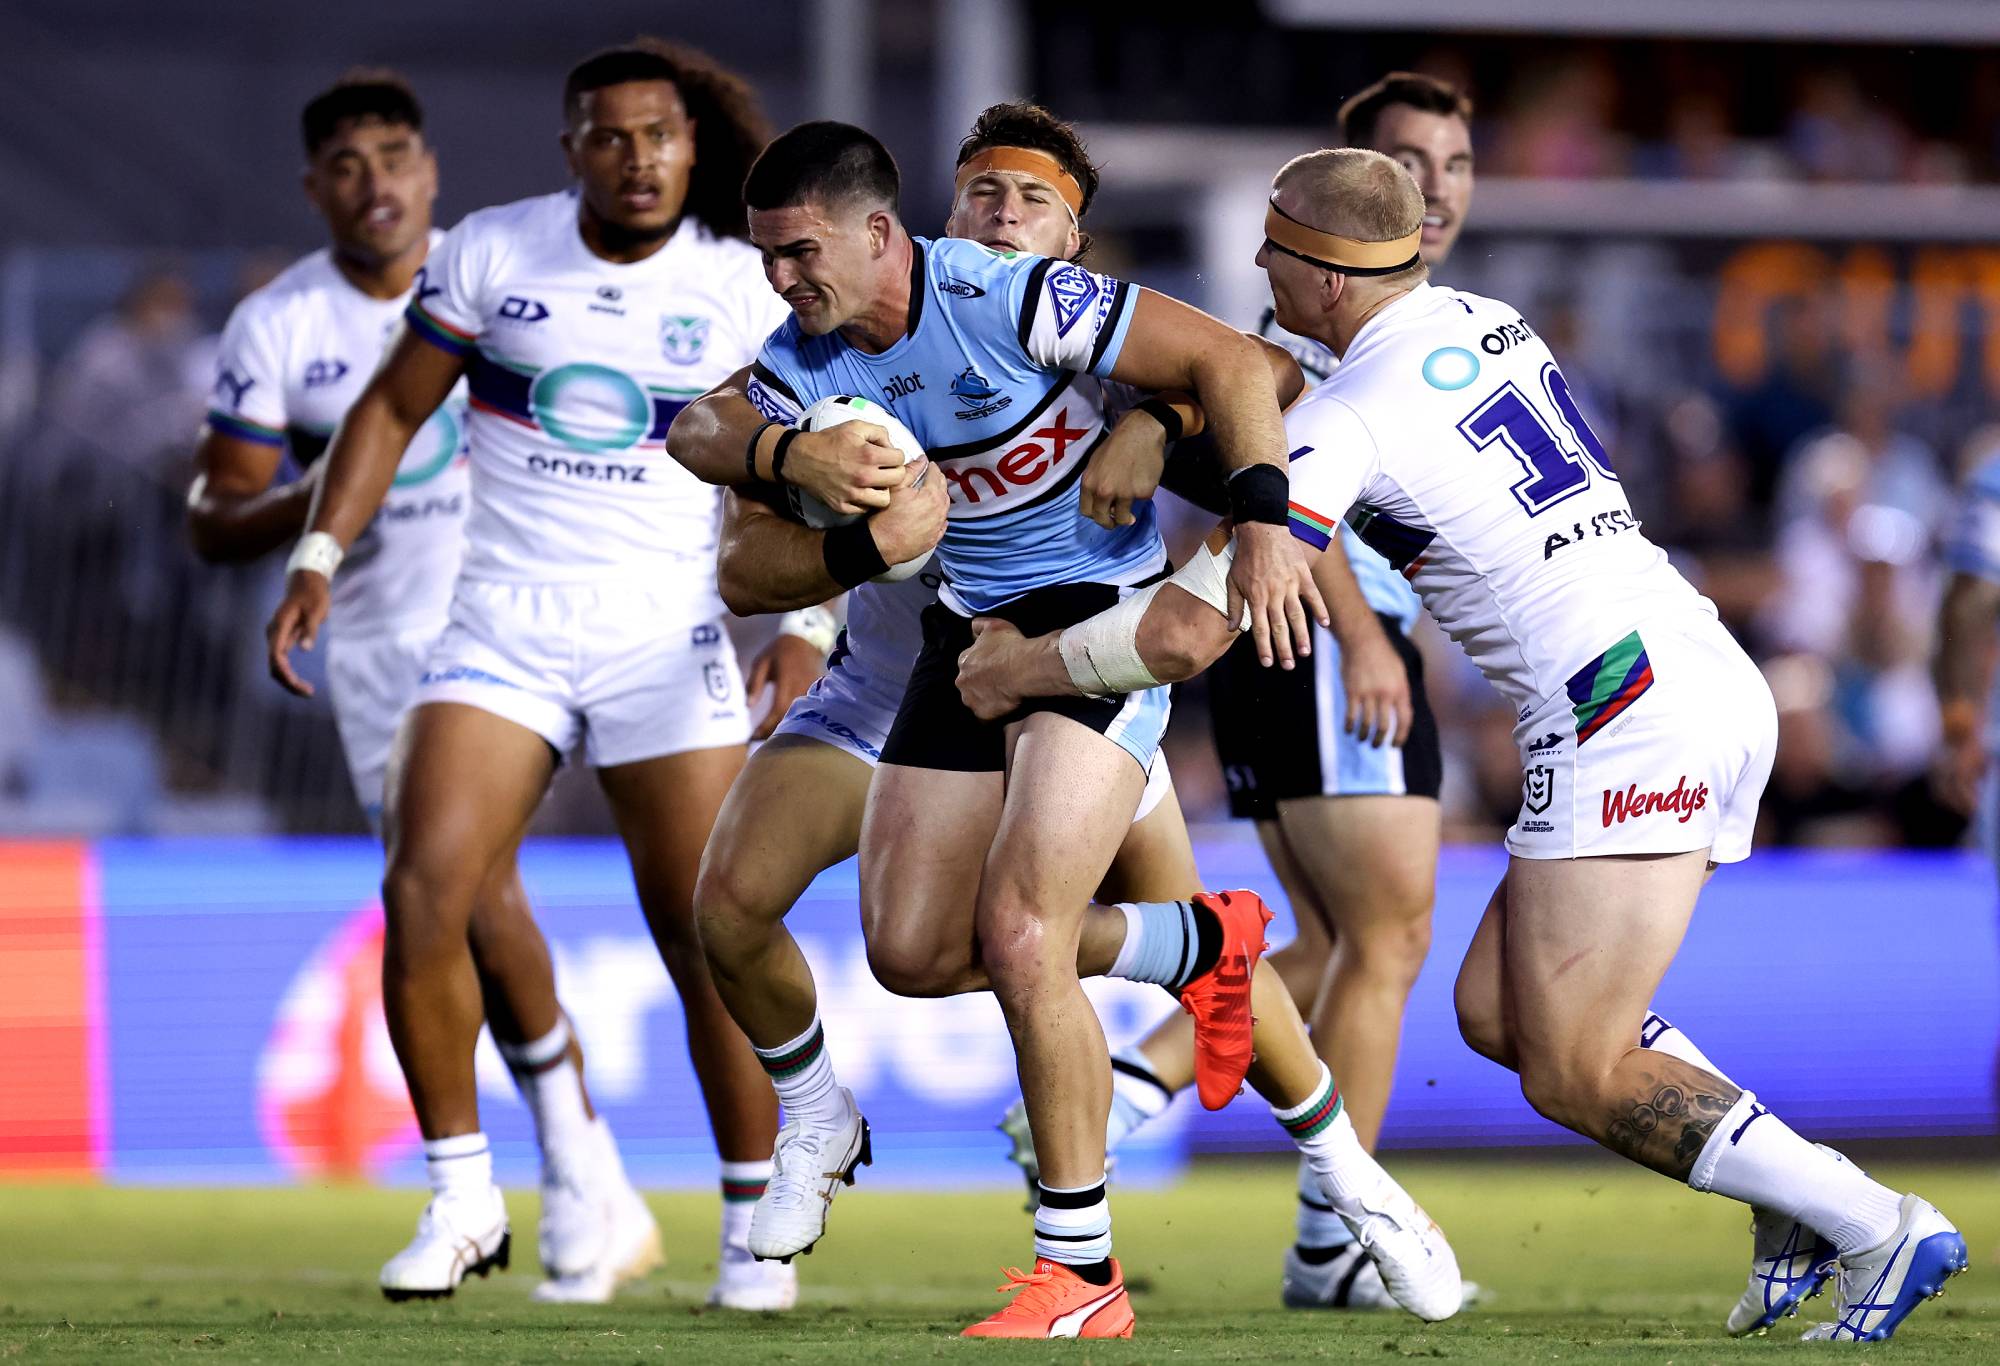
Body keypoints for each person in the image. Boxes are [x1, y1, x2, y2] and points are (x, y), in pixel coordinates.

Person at [953, 147, 1968, 1344]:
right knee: (1496, 1014)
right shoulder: (1480, 321)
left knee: (1572, 1064)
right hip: (1663, 665)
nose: (1260, 270)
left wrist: (1014, 667)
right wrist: (1165, 417)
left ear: (1326, 277)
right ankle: (1788, 1201)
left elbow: (1182, 633)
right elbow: (1268, 371)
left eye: (1273, 251)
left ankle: (1870, 1218)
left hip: (1619, 707)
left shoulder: (1348, 420)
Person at [669, 117, 1457, 1339]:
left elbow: (1254, 373)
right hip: (966, 644)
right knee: (915, 952)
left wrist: (1232, 494)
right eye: (980, 190)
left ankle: (1087, 1271)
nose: (1000, 213)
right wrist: (816, 491)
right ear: (937, 203)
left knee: (1025, 935)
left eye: (1028, 198)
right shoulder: (814, 360)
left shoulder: (1037, 302)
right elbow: (707, 463)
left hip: (1098, 627)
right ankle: (1196, 958)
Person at [262, 42, 800, 1311]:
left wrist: (815, 627)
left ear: (687, 146)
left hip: (663, 638)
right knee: (423, 885)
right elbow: (389, 411)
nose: (636, 158)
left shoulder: (737, 287)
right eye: (607, 137)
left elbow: (819, 458)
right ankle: (459, 1197)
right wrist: (321, 553)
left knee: (705, 936)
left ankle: (747, 1224)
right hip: (499, 624)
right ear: (570, 150)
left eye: (657, 135)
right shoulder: (495, 251)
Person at [190, 71, 660, 1306]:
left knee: (472, 894)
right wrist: (335, 484)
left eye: (395, 155)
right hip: (389, 653)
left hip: (540, 617)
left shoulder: (504, 271)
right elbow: (211, 514)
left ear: (432, 169)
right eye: (347, 165)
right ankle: (584, 1175)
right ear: (314, 188)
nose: (378, 183)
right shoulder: (277, 328)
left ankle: (549, 1179)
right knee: (467, 903)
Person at [1013, 73, 1479, 1310]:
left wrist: (1157, 425)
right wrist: (1367, 641)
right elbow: (1271, 438)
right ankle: (1338, 1239)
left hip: (1277, 638)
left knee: (1330, 940)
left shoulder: (1364, 325)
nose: (1432, 187)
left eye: (1453, 162)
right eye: (1406, 161)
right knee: (1386, 940)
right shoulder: (1333, 327)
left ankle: (1144, 1082)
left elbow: (1225, 389)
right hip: (1325, 633)